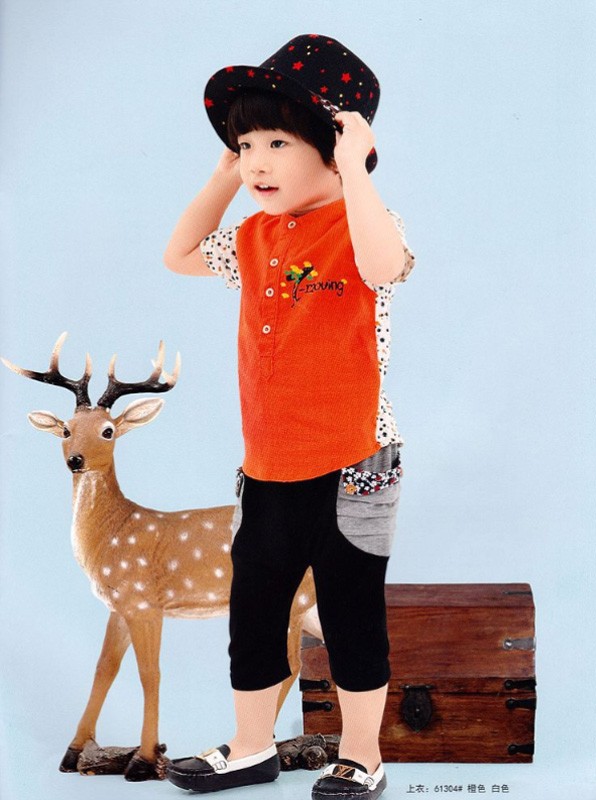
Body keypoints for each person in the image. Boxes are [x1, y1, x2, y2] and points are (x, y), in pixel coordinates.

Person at [163, 33, 415, 800]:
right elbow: (178, 254)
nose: (256, 163)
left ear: (336, 148)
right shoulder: (252, 237)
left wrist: (355, 169)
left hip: (353, 460)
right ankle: (251, 746)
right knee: (255, 609)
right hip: (268, 462)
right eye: (245, 146)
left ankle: (362, 755)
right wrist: (219, 179)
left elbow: (382, 266)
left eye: (276, 142)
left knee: (349, 613)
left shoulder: (369, 226)